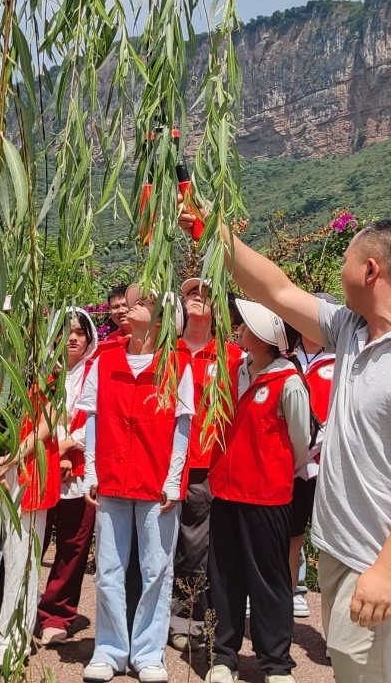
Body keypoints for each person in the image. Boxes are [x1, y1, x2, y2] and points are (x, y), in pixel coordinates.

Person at [179, 209, 391, 683]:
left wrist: (389, 569)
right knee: (354, 674)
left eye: (346, 260)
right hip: (346, 554)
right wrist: (212, 232)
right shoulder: (355, 331)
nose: (339, 273)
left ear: (370, 270)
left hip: (383, 564)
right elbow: (276, 290)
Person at [79, 284, 194, 683]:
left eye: (140, 303)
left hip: (155, 482)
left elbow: (183, 427)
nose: (128, 307)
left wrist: (174, 479)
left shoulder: (177, 364)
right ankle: (109, 650)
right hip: (111, 478)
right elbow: (92, 418)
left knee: (156, 570)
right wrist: (91, 472)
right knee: (108, 569)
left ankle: (148, 654)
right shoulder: (105, 359)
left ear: (162, 318)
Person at [205, 300, 309, 683]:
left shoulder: (289, 382)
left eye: (246, 325)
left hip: (268, 496)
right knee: (225, 577)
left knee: (270, 580)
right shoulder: (232, 371)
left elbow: (300, 442)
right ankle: (223, 658)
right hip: (226, 492)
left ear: (267, 338)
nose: (239, 328)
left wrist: (275, 471)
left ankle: (276, 663)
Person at [169, 277, 246, 652]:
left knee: (197, 547)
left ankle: (191, 615)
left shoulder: (234, 357)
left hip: (209, 466)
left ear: (221, 309)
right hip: (165, 465)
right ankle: (156, 616)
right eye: (190, 294)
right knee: (161, 546)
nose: (197, 299)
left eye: (206, 294)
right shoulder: (165, 354)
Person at [0, 359, 59, 670]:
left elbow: (50, 419)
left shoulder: (48, 368)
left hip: (28, 471)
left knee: (23, 558)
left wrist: (10, 460)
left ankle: (14, 635)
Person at [37, 309, 100, 644]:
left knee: (72, 548)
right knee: (33, 541)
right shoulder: (42, 373)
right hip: (40, 468)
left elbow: (98, 420)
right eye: (66, 331)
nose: (73, 337)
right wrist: (50, 452)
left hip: (80, 470)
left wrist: (67, 447)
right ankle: (17, 608)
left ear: (89, 339)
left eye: (80, 331)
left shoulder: (97, 372)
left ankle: (56, 616)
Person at [290, 294, 335, 619]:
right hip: (289, 461)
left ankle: (337, 619)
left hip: (329, 463)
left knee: (331, 538)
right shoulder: (283, 356)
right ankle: (288, 592)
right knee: (288, 533)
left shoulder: (343, 358)